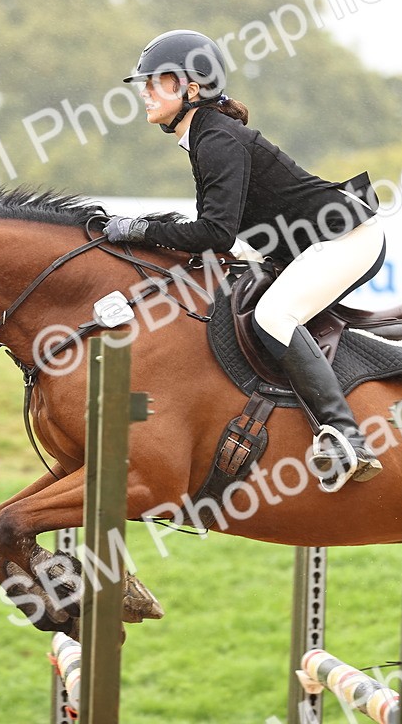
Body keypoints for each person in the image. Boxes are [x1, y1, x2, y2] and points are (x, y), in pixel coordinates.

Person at [103, 29, 386, 487]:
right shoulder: (204, 135)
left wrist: (140, 229)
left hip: (346, 239)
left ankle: (347, 436)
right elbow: (223, 235)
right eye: (146, 83)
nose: (146, 92)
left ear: (191, 89)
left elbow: (215, 232)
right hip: (306, 243)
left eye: (158, 82)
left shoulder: (216, 139)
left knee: (273, 315)